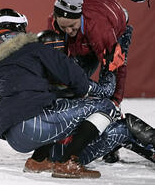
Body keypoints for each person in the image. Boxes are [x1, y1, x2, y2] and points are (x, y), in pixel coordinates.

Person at [0, 8, 119, 178]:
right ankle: (68, 163)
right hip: (35, 124)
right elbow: (71, 74)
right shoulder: (34, 49)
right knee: (107, 107)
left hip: (15, 140)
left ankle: (39, 161)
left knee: (49, 103)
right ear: (20, 28)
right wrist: (101, 88)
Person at [36, 30, 155, 167]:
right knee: (122, 123)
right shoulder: (66, 75)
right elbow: (106, 91)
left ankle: (113, 151)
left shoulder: (34, 74)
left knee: (100, 114)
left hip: (46, 150)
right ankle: (120, 148)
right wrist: (110, 65)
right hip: (67, 153)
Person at [47, 0, 133, 163]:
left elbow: (119, 67)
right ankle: (69, 133)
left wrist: (116, 99)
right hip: (84, 41)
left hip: (113, 30)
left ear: (80, 19)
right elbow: (61, 64)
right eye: (64, 27)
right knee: (68, 85)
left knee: (108, 93)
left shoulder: (100, 28)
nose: (69, 30)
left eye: (73, 26)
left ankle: (112, 144)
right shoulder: (55, 24)